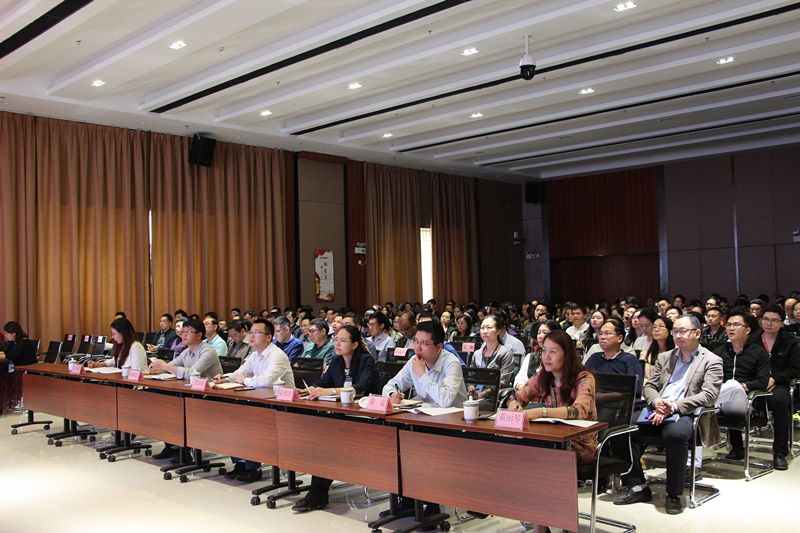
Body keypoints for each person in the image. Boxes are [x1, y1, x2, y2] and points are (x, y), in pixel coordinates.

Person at [614, 315, 723, 515]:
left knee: (676, 434)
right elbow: (650, 386)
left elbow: (709, 395)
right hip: (658, 408)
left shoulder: (712, 360)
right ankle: (637, 486)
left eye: (683, 331)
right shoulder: (665, 357)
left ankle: (673, 494)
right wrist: (657, 402)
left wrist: (673, 406)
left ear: (697, 333)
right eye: (675, 331)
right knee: (621, 428)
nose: (678, 336)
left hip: (686, 413)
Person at [507, 330, 597, 533]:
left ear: (567, 354)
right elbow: (517, 396)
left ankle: (541, 528)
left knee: (540, 460)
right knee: (521, 455)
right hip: (551, 441)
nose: (546, 357)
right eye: (544, 351)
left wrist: (541, 412)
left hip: (581, 443)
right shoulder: (543, 376)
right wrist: (515, 406)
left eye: (553, 352)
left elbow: (579, 411)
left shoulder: (584, 378)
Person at [292, 325, 381, 512]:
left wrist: (330, 391)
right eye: (335, 340)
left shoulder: (366, 360)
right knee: (324, 443)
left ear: (354, 344)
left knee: (328, 443)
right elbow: (322, 382)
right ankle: (317, 493)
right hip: (343, 418)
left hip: (367, 418)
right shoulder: (337, 360)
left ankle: (317, 494)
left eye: (342, 340)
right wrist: (307, 390)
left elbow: (361, 387)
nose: (337, 344)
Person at [213, 319, 294, 482]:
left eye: (256, 332)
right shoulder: (254, 355)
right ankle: (241, 463)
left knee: (245, 419)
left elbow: (266, 381)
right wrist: (225, 378)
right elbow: (240, 372)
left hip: (282, 406)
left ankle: (252, 467)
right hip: (260, 401)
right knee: (231, 415)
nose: (251, 336)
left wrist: (244, 380)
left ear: (269, 337)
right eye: (250, 332)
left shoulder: (277, 355)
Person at [711, 310, 770, 463]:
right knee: (725, 387)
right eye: (728, 325)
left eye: (736, 325)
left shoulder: (759, 353)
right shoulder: (719, 352)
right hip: (720, 402)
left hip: (746, 401)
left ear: (747, 330)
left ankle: (699, 401)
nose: (731, 328)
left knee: (733, 385)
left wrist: (742, 387)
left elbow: (762, 382)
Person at [383, 320, 468, 408]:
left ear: (438, 347)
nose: (417, 348)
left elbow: (445, 401)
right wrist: (392, 394)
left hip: (454, 415)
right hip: (425, 413)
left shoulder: (452, 363)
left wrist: (422, 374)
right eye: (416, 341)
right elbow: (391, 385)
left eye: (424, 343)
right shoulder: (414, 361)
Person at [760, 305, 800, 470]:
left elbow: (795, 369)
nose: (769, 323)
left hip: (779, 384)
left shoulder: (789, 342)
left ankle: (780, 452)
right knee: (733, 396)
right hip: (756, 383)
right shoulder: (753, 340)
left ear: (782, 323)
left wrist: (774, 378)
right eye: (766, 319)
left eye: (774, 320)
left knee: (779, 401)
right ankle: (737, 447)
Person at [585, 319, 643, 396]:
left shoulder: (629, 360)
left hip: (618, 402)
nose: (602, 337)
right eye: (601, 333)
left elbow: (636, 390)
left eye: (607, 333)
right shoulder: (594, 358)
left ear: (620, 338)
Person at [149, 318, 223, 379]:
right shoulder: (187, 351)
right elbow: (171, 367)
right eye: (183, 331)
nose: (184, 335)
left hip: (209, 390)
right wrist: (156, 368)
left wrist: (164, 365)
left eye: (188, 332)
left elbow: (191, 374)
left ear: (199, 335)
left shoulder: (208, 351)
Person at [469, 314, 515, 409]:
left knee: (475, 407)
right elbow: (471, 376)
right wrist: (470, 388)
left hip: (494, 396)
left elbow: (503, 382)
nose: (485, 331)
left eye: (489, 328)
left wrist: (483, 394)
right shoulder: (477, 353)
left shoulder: (505, 353)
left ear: (498, 331)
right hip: (476, 393)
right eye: (482, 328)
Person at [514, 320, 561, 391]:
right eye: (539, 333)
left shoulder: (561, 358)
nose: (540, 336)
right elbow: (520, 378)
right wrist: (522, 387)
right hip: (530, 394)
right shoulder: (530, 357)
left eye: (545, 333)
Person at [642, 316, 675, 381]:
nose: (656, 330)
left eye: (661, 327)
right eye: (654, 327)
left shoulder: (677, 353)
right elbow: (642, 376)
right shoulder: (645, 354)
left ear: (670, 331)